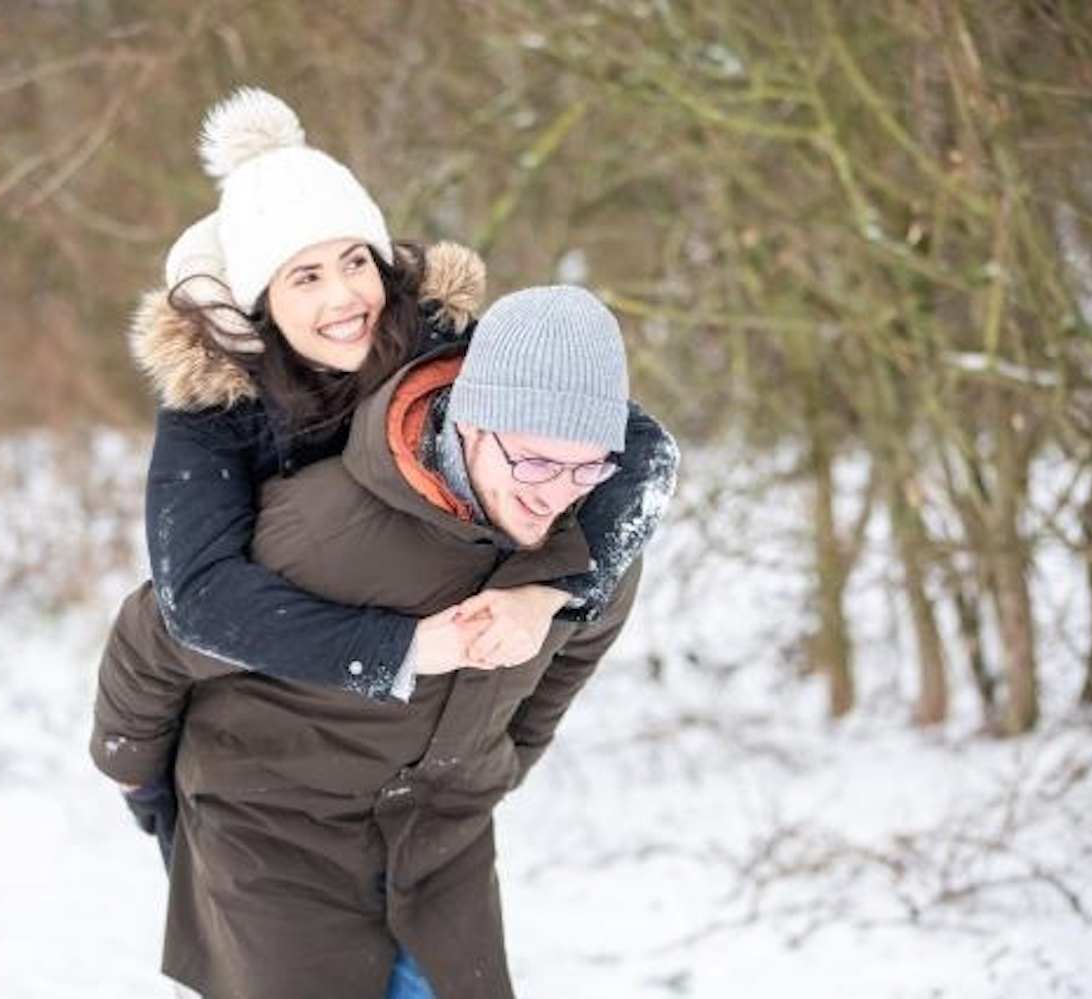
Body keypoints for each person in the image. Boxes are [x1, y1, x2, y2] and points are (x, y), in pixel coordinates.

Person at [114, 87, 678, 858]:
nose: (346, 297)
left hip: (418, 744)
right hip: (268, 720)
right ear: (262, 302)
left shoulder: (439, 343)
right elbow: (195, 600)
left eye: (355, 261)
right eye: (305, 277)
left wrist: (548, 591)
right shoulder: (213, 409)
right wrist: (404, 649)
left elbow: (642, 449)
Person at [93, 283, 663, 999]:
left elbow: (567, 666)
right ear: (470, 424)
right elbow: (156, 634)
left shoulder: (592, 550)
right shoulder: (327, 530)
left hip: (440, 850)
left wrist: (496, 764)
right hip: (277, 842)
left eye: (588, 467)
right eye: (535, 461)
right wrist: (131, 764)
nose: (556, 493)